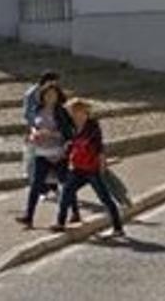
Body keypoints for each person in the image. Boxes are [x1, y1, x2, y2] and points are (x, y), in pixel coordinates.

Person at [53, 98, 125, 238]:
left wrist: (102, 162)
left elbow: (98, 146)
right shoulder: (73, 126)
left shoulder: (92, 126)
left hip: (92, 168)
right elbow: (73, 143)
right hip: (78, 167)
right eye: (70, 112)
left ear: (82, 111)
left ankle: (118, 228)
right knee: (66, 191)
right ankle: (60, 223)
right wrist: (68, 149)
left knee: (105, 199)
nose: (72, 115)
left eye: (74, 112)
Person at [15, 84, 80, 228]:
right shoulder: (37, 109)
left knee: (66, 185)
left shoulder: (61, 112)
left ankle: (75, 212)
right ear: (42, 96)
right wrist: (33, 134)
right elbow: (34, 126)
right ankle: (29, 217)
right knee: (35, 185)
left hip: (59, 154)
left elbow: (69, 132)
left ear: (58, 96)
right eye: (48, 95)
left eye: (53, 95)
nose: (50, 97)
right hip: (41, 152)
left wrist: (51, 134)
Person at [22, 71, 61, 198]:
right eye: (53, 82)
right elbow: (28, 114)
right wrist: (38, 127)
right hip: (38, 131)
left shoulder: (53, 93)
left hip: (51, 132)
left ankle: (53, 188)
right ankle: (41, 190)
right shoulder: (31, 94)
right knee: (37, 161)